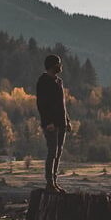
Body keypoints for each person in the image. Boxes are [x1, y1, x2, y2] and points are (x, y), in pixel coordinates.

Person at [36, 54, 71, 192]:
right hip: (51, 125)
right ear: (52, 65)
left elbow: (62, 104)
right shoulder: (43, 81)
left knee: (58, 153)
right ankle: (50, 183)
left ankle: (55, 182)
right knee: (52, 152)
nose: (60, 66)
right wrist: (48, 122)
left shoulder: (59, 81)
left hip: (61, 123)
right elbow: (41, 104)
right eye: (58, 63)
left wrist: (67, 120)